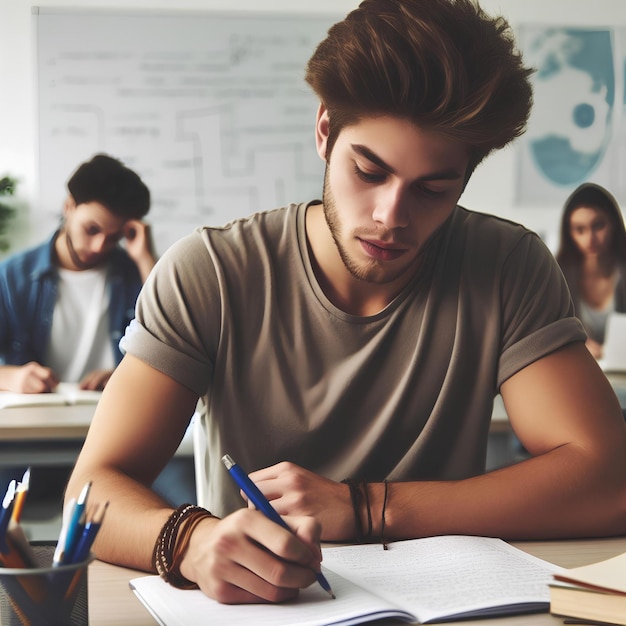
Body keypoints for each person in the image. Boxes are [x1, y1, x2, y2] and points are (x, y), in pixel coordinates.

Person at [66, 0, 626, 606]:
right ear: (325, 131)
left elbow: (607, 481)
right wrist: (191, 542)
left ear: (466, 176)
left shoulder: (507, 266)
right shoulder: (213, 272)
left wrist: (364, 507)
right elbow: (92, 489)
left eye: (433, 190)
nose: (391, 217)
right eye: (369, 171)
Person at [0, 153, 154, 393]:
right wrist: (11, 378)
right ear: (69, 206)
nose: (99, 246)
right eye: (91, 229)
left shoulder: (136, 274)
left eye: (114, 237)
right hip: (35, 423)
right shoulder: (11, 277)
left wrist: (146, 259)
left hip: (117, 418)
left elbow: (175, 343)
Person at [556, 182, 626, 360]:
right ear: (569, 232)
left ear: (614, 223)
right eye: (580, 229)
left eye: (598, 225)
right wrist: (576, 345)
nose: (590, 238)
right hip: (578, 369)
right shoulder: (557, 275)